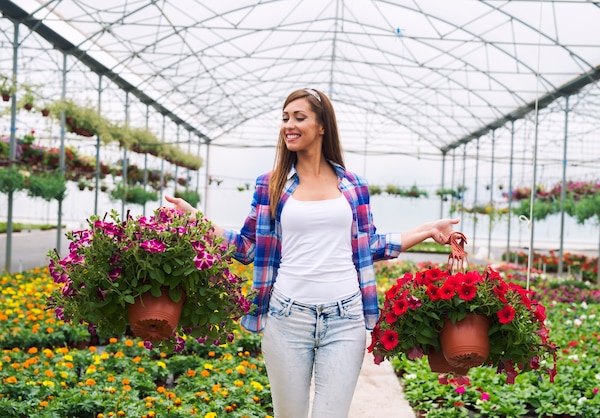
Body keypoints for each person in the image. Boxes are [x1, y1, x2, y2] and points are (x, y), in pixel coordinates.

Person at [165, 88, 459, 418]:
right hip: (287, 318)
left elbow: (370, 244)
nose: (289, 124)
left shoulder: (352, 185)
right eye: (285, 118)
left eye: (299, 117)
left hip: (345, 319)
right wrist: (195, 218)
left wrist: (427, 230)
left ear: (322, 126)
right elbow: (247, 246)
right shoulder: (271, 184)